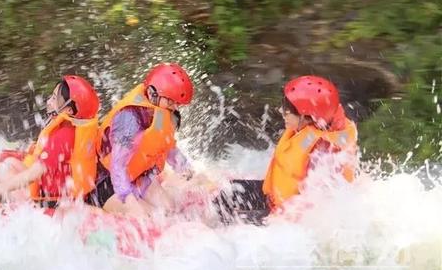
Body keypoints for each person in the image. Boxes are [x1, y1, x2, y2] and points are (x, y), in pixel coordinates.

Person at [215, 75, 358, 223]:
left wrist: (276, 219)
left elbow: (316, 208)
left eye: (286, 110)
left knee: (235, 223)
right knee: (226, 194)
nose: (281, 111)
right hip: (274, 198)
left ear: (307, 117)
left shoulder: (325, 152)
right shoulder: (308, 130)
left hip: (287, 217)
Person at [94, 63, 195, 217]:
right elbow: (117, 166)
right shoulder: (129, 119)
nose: (174, 107)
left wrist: (184, 167)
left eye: (177, 103)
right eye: (170, 102)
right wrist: (129, 198)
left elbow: (167, 146)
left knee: (170, 210)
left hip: (138, 175)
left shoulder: (159, 112)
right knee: (151, 217)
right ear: (152, 93)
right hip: (107, 182)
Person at [0, 75, 103, 208]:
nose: (49, 101)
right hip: (69, 197)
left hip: (51, 204)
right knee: (10, 163)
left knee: (1, 170)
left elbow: (33, 174)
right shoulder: (77, 128)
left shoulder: (62, 137)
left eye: (54, 98)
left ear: (69, 109)